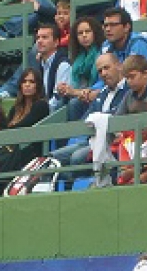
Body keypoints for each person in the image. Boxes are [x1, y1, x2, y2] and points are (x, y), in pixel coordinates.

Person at [48, 53, 130, 188]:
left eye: (106, 68)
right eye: (100, 71)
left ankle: (79, 188)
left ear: (119, 66)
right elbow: (87, 118)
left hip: (112, 143)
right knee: (51, 158)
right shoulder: (102, 93)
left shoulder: (128, 90)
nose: (103, 73)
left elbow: (118, 115)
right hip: (90, 141)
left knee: (76, 158)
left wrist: (98, 117)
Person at [57, 16, 105, 122]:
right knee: (59, 103)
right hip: (80, 93)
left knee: (74, 104)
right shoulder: (78, 58)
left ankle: (76, 137)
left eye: (87, 31)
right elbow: (75, 84)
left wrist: (75, 92)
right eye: (80, 33)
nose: (84, 35)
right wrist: (65, 89)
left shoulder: (102, 53)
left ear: (95, 33)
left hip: (96, 94)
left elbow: (101, 84)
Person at [114, 102, 147, 186]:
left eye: (145, 123)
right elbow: (124, 174)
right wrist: (143, 166)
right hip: (128, 184)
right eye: (137, 122)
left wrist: (135, 170)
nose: (141, 127)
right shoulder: (125, 143)